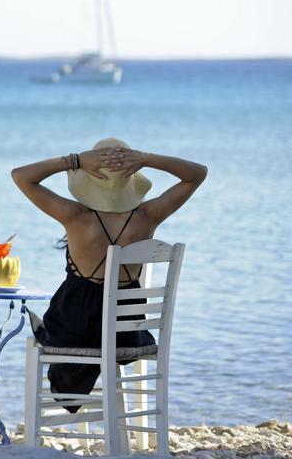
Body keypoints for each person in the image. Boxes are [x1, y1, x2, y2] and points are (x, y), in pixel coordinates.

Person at [11, 138, 207, 410]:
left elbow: (20, 176)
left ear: (90, 180)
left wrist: (75, 160)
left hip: (75, 326)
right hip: (126, 331)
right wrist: (147, 158)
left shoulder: (75, 215)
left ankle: (69, 391)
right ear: (131, 181)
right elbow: (198, 173)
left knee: (44, 325)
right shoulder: (148, 216)